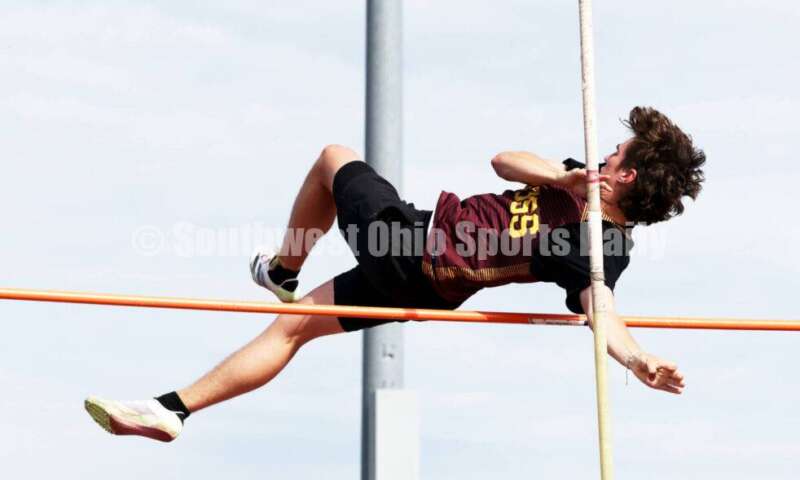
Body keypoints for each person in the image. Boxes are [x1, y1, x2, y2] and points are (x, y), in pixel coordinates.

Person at [84, 106, 704, 442]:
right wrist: (561, 178)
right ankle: (173, 410)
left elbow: (601, 307)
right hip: (427, 279)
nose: (607, 152)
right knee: (293, 328)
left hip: (413, 248)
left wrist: (639, 361)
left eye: (617, 154)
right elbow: (503, 160)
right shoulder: (574, 180)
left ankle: (281, 267)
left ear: (628, 177)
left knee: (333, 159)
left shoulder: (603, 247)